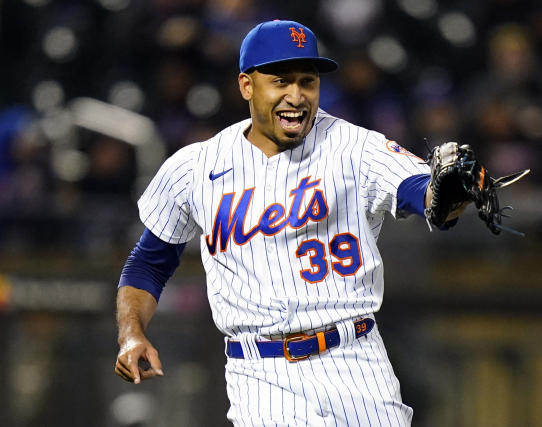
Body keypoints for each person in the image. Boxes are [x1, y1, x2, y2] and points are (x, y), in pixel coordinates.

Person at [114, 20, 468, 426]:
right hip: (260, 372)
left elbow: (425, 195)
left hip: (354, 361)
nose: (296, 96)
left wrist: (449, 195)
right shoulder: (195, 167)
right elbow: (148, 264)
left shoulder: (356, 147)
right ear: (247, 86)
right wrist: (131, 333)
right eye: (280, 81)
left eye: (307, 81)